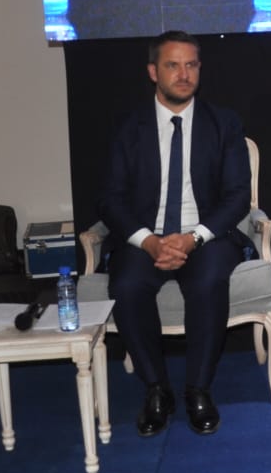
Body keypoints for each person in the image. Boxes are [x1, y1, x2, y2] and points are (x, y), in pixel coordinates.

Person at [98, 31, 252, 437]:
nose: (184, 75)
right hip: (145, 237)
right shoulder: (128, 126)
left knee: (209, 281)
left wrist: (193, 238)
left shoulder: (224, 123)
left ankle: (198, 389)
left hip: (205, 236)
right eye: (173, 65)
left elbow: (238, 196)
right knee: (127, 285)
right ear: (153, 72)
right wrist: (149, 242)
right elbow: (110, 199)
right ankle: (156, 389)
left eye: (191, 65)